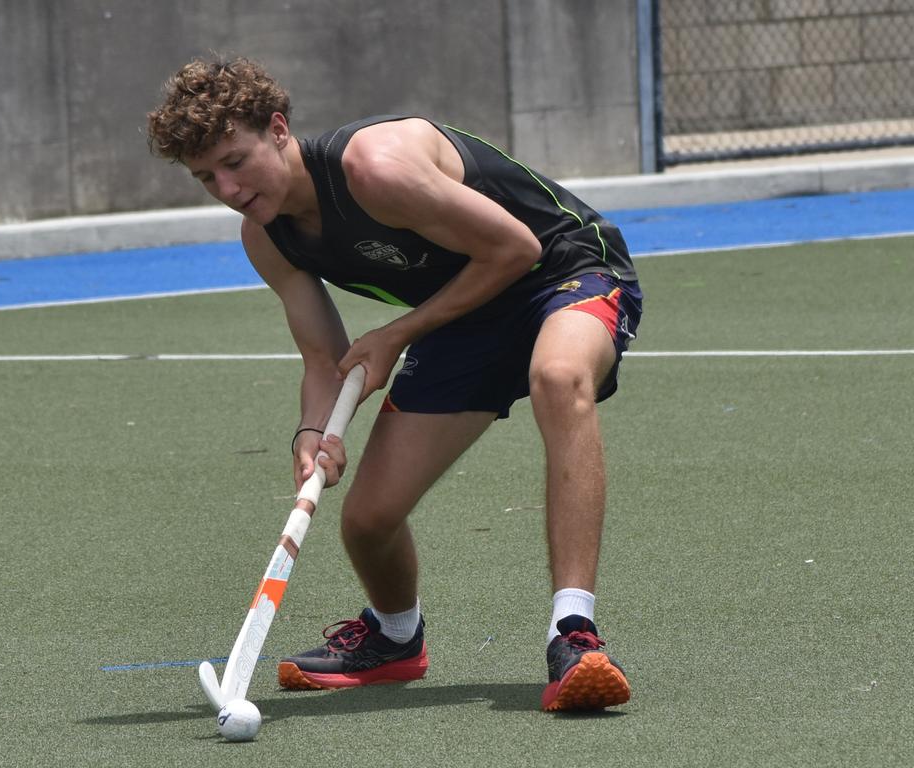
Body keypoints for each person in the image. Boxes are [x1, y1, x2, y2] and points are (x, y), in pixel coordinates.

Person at [147, 56, 641, 711]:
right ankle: (394, 638)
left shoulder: (372, 168)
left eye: (235, 161)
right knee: (368, 521)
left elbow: (517, 250)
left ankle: (573, 634)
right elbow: (324, 358)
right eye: (206, 177)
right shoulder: (268, 238)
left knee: (557, 375)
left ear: (277, 128)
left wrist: (397, 334)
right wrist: (312, 434)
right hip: (467, 313)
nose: (229, 189)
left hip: (564, 273)